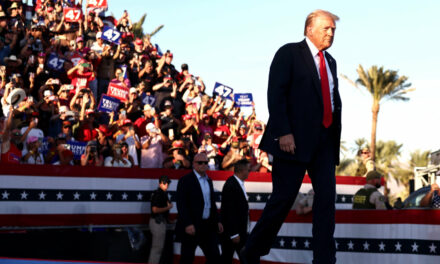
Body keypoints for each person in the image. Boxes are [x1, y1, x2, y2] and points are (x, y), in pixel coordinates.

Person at [241, 10, 342, 264]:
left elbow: (331, 100)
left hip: (325, 144)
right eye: (326, 28)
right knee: (283, 200)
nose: (330, 33)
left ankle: (324, 260)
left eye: (333, 30)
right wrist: (284, 132)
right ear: (309, 29)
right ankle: (251, 252)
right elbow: (276, 93)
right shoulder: (289, 53)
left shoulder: (330, 62)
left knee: (326, 204)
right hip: (292, 142)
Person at [175, 153, 223, 264]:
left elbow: (211, 203)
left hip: (208, 226)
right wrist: (187, 223)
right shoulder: (185, 180)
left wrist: (218, 221)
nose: (203, 165)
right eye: (200, 162)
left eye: (205, 162)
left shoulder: (209, 181)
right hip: (192, 226)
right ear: (193, 164)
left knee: (214, 257)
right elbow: (181, 204)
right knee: (187, 258)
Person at [220, 159, 250, 264]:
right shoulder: (231, 185)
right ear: (242, 170)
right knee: (228, 258)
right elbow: (229, 211)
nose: (249, 172)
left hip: (240, 232)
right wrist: (234, 234)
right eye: (248, 170)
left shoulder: (238, 183)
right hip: (233, 233)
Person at [148, 175, 173, 264]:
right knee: (157, 248)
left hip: (160, 221)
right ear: (160, 183)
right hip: (157, 222)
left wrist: (169, 220)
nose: (167, 185)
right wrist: (168, 207)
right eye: (165, 183)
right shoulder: (159, 193)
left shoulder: (162, 193)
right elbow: (154, 210)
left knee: (158, 248)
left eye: (167, 183)